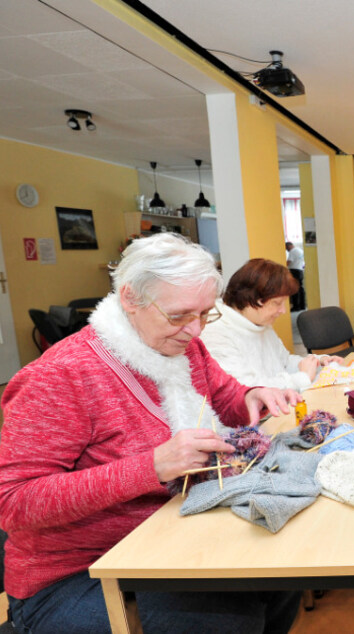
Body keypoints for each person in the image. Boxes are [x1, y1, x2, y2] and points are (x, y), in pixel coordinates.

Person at [0, 234, 303, 634]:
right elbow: (14, 502)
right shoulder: (59, 377)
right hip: (76, 573)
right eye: (179, 316)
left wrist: (255, 395)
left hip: (169, 540)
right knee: (223, 617)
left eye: (204, 315)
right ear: (130, 299)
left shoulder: (185, 348)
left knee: (282, 576)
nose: (195, 331)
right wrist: (151, 467)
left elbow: (225, 398)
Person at [202, 258, 343, 391]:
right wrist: (302, 378)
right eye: (277, 303)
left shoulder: (259, 323)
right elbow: (247, 390)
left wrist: (317, 363)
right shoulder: (215, 331)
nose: (283, 311)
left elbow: (285, 362)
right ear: (249, 299)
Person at [285, 240, 306, 311]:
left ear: (289, 246)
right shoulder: (300, 250)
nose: (287, 250)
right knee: (300, 289)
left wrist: (283, 268)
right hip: (300, 270)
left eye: (286, 248)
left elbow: (288, 262)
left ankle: (296, 307)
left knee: (294, 289)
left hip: (294, 271)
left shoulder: (292, 251)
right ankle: (302, 305)